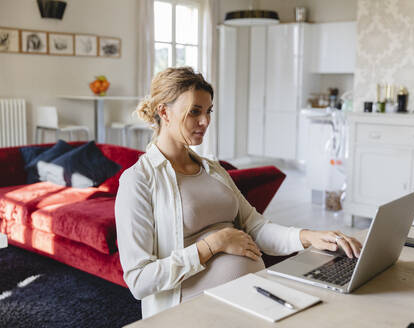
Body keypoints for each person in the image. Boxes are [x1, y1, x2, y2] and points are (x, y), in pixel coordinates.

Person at [115, 67, 362, 319]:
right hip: (188, 312)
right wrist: (212, 245)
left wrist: (308, 236)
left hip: (253, 299)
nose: (205, 121)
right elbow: (139, 280)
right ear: (164, 112)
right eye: (195, 112)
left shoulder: (212, 169)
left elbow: (256, 227)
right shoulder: (139, 180)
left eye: (208, 111)